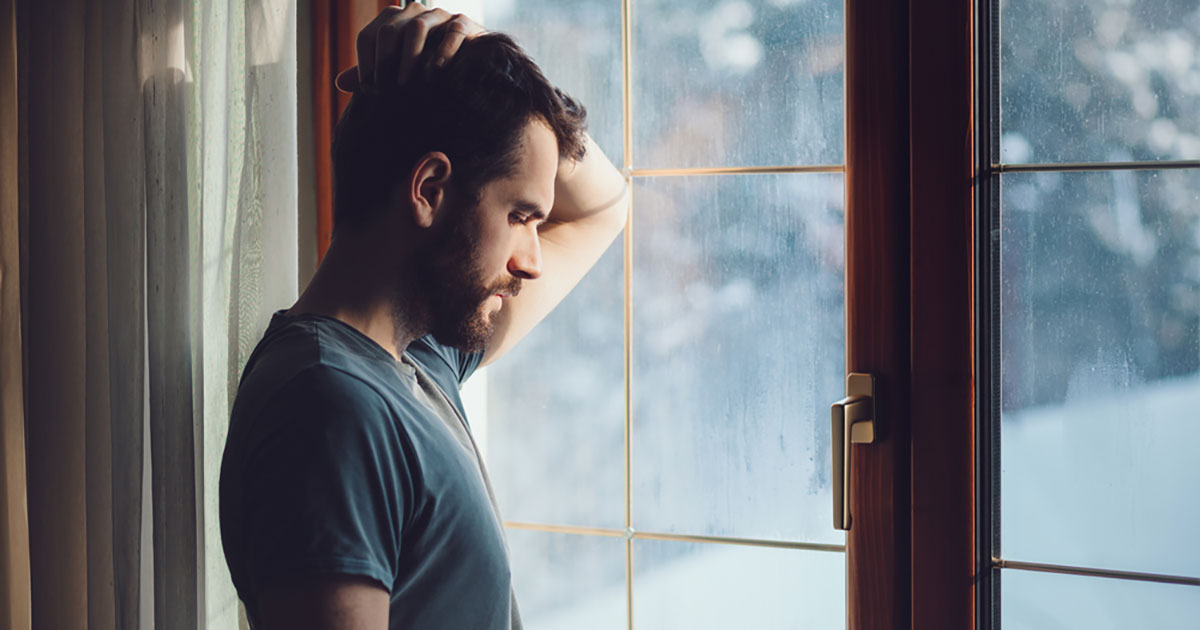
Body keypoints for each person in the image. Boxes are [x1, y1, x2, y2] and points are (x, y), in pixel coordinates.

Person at [217, 4, 628, 629]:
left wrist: (485, 54)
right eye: (520, 216)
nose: (533, 261)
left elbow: (604, 207)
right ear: (430, 189)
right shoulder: (328, 406)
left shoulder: (419, 359)